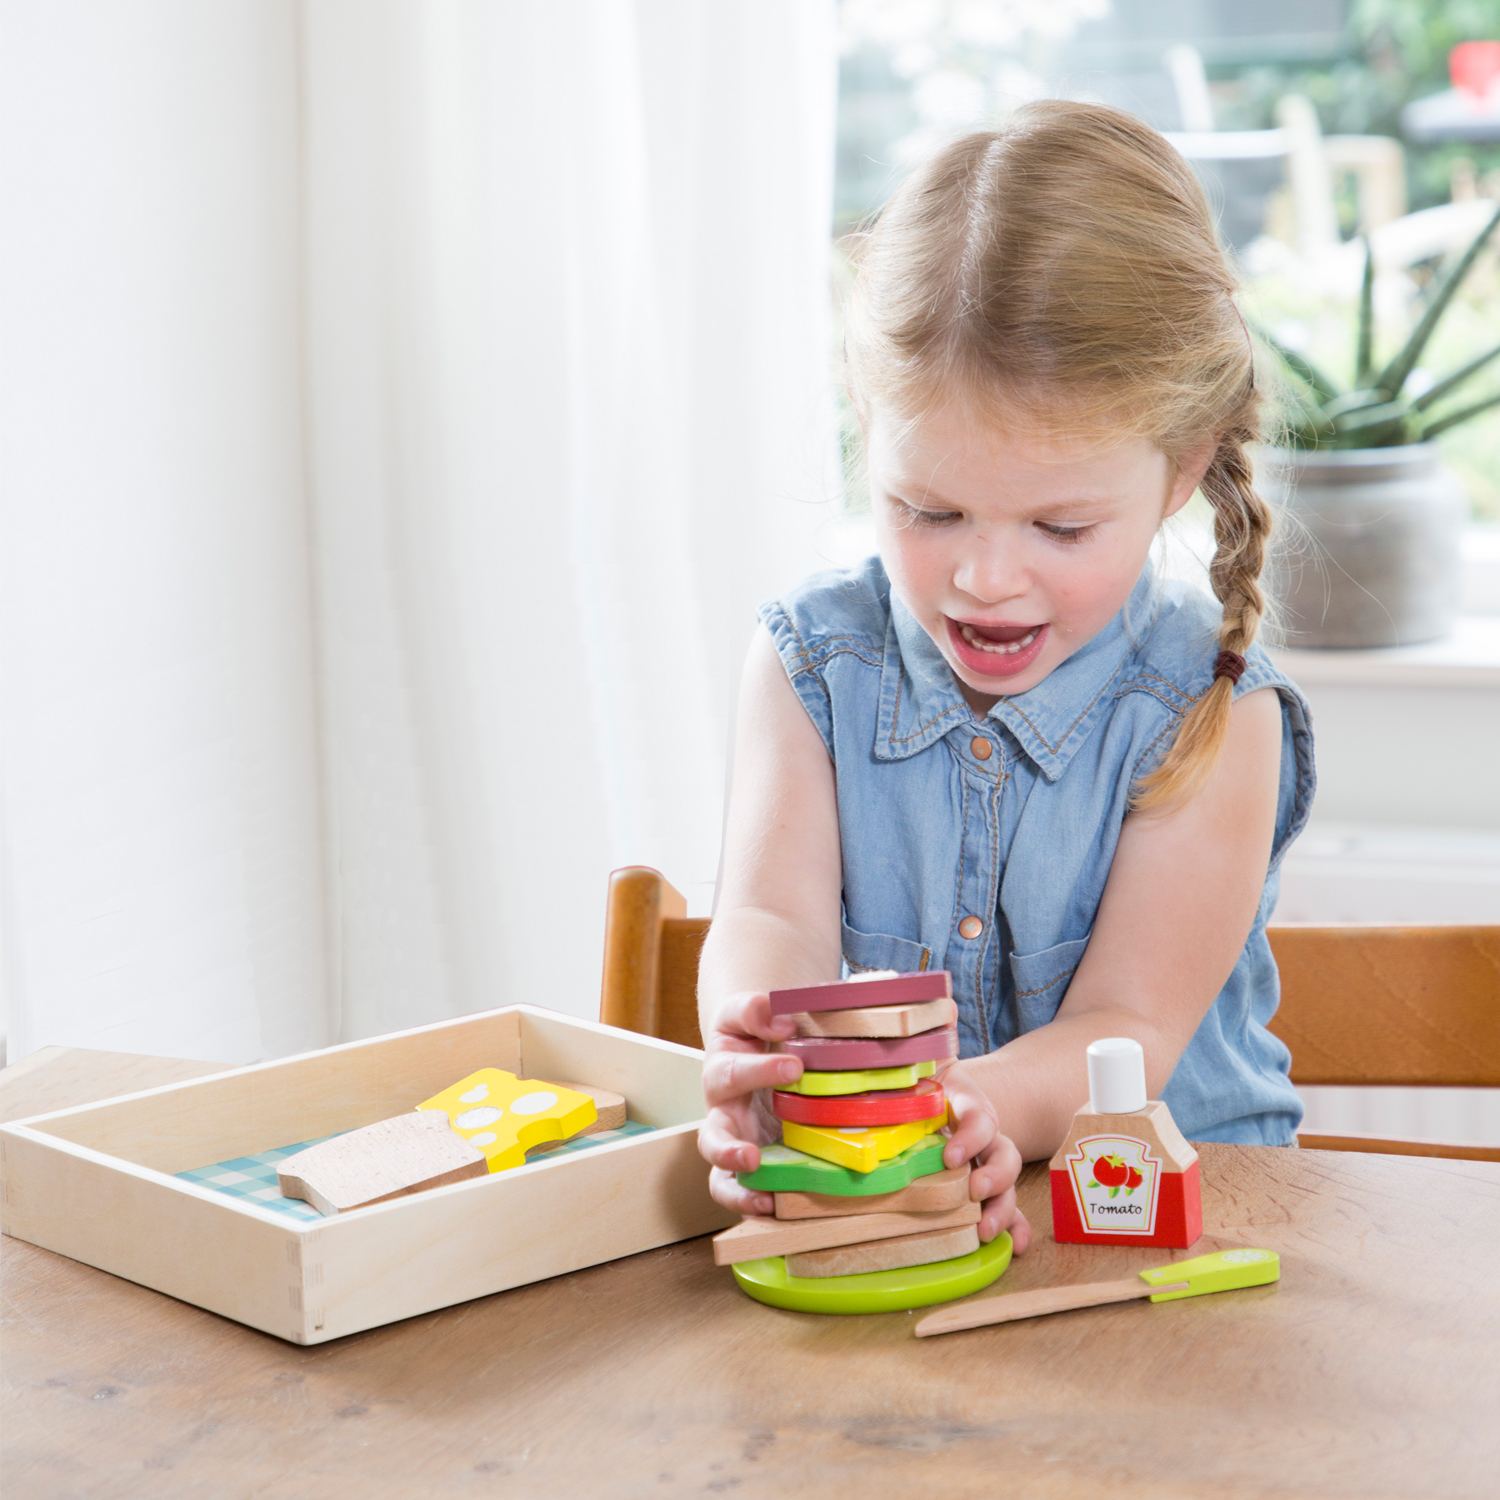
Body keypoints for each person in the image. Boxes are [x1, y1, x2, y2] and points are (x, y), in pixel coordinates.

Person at [695, 102, 1315, 1253]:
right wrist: (759, 1055)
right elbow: (768, 915)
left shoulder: (1217, 709)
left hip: (1188, 1231)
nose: (985, 578)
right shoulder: (810, 666)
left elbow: (1129, 1021)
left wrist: (975, 1107)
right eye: (929, 510)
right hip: (910, 1213)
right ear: (864, 423)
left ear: (1179, 470)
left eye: (1061, 527)